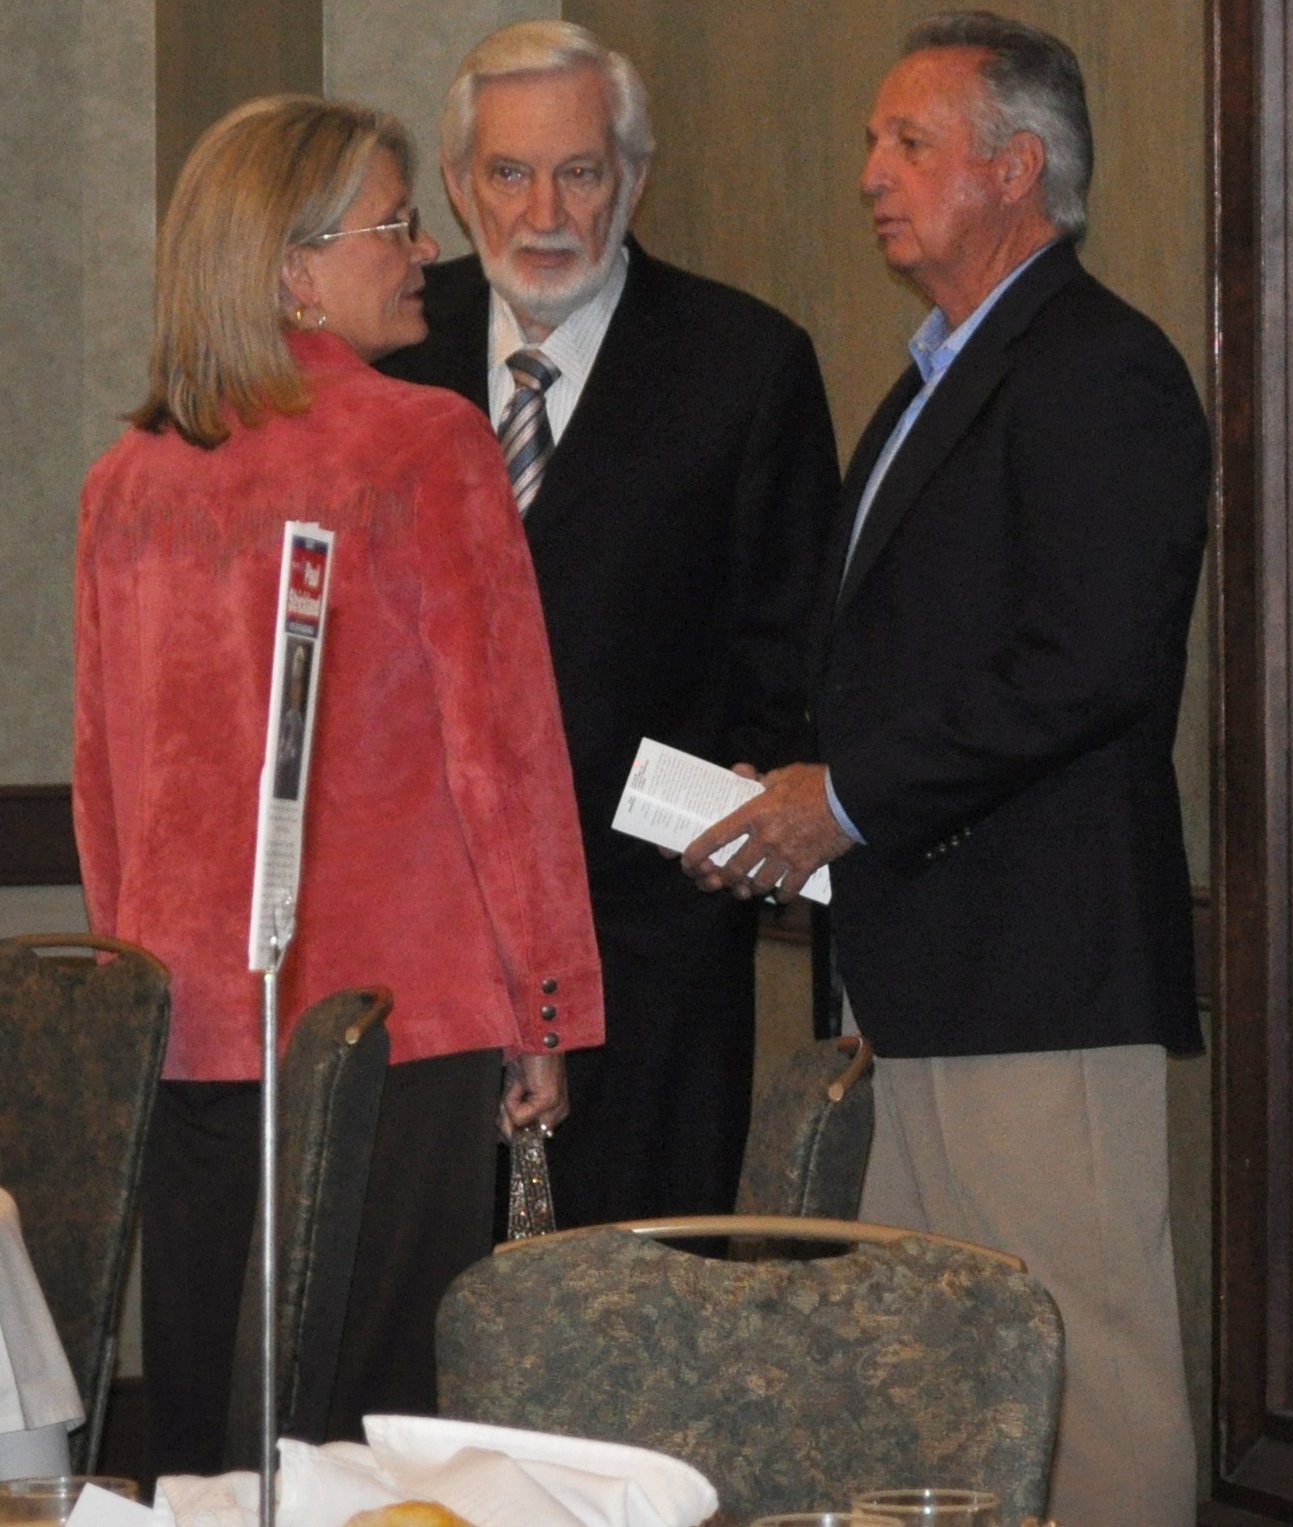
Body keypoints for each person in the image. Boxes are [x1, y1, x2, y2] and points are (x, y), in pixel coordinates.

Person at [683, 13, 1208, 1526]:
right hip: (916, 967)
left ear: (1017, 168)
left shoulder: (1098, 366)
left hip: (1037, 973)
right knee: (933, 1383)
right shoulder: (936, 374)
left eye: (909, 143)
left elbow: (1093, 661)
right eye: (872, 142)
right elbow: (909, 660)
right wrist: (796, 782)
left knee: (1082, 1373)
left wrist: (846, 798)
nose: (870, 173)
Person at [72, 95, 602, 1484]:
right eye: (396, 224)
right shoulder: (424, 445)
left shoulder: (125, 479)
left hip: (188, 1034)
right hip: (394, 1030)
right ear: (293, 264)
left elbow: (104, 791)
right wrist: (545, 1009)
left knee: (214, 1438)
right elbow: (506, 759)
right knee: (371, 1446)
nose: (425, 250)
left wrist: (144, 997)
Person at [380, 21, 839, 1230]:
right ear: (457, 184)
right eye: (508, 173)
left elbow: (786, 662)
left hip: (648, 965)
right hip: (416, 962)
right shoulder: (386, 356)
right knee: (418, 1316)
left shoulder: (744, 365)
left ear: (633, 179)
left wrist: (739, 821)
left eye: (579, 172)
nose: (543, 213)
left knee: (628, 1310)